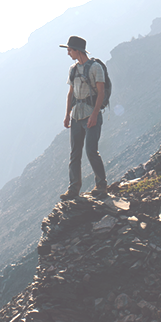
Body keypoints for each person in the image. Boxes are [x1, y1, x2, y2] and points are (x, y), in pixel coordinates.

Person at [59, 36, 108, 200]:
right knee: (75, 153)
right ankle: (73, 189)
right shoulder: (73, 69)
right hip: (76, 116)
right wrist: (67, 115)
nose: (68, 53)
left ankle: (101, 185)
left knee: (91, 151)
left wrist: (94, 115)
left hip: (90, 115)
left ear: (77, 50)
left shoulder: (95, 68)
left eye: (69, 50)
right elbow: (70, 94)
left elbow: (101, 92)